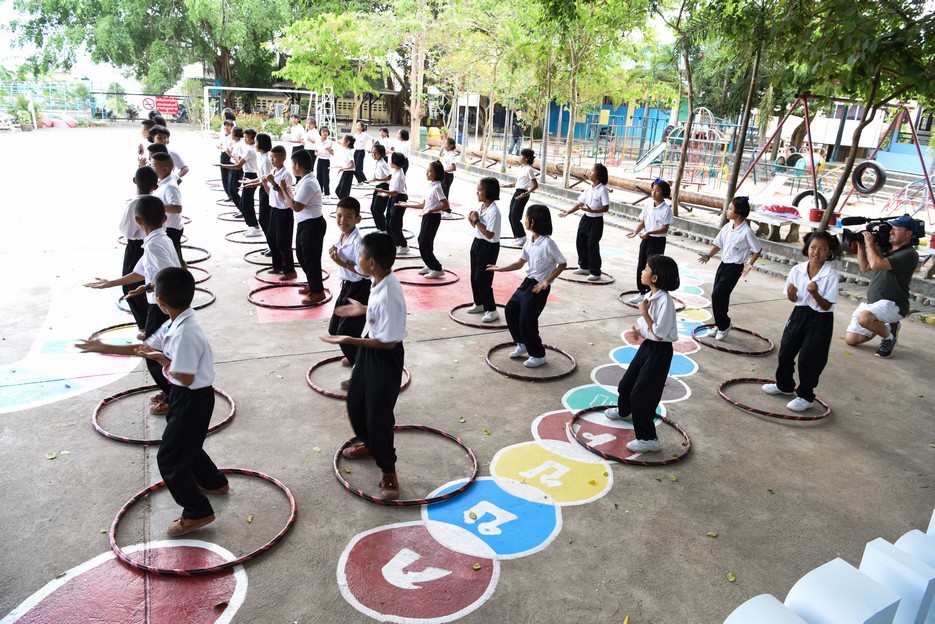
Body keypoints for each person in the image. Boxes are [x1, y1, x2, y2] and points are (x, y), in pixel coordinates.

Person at [82, 267, 228, 536]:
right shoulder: (175, 322)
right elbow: (145, 348)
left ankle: (198, 511)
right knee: (188, 445)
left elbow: (183, 374)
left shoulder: (186, 333)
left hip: (192, 397)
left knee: (170, 459)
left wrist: (161, 359)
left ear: (159, 301)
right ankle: (214, 482)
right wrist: (105, 347)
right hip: (185, 396)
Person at [321, 232, 407, 501]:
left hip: (385, 355)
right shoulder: (379, 280)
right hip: (373, 346)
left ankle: (388, 469)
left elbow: (389, 344)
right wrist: (363, 309)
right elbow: (378, 313)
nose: (356, 258)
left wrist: (349, 339)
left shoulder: (390, 294)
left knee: (378, 416)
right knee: (356, 403)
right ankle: (370, 445)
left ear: (371, 262)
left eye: (360, 255)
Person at [81, 196, 181, 415]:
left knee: (153, 355)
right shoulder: (159, 240)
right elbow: (140, 273)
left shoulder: (154, 246)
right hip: (161, 304)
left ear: (137, 221)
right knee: (160, 350)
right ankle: (171, 390)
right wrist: (111, 283)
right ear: (165, 219)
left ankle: (174, 396)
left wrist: (148, 289)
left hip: (161, 307)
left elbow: (168, 276)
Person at [604, 254, 680, 453]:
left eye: (646, 269)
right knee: (627, 384)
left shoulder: (665, 301)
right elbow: (649, 329)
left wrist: (643, 313)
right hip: (648, 346)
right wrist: (638, 331)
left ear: (654, 278)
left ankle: (649, 439)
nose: (642, 271)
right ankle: (624, 411)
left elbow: (661, 333)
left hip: (660, 351)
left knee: (642, 395)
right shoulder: (650, 295)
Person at [764, 232, 840, 411]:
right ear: (807, 248)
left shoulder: (830, 275)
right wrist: (791, 293)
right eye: (813, 247)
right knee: (786, 349)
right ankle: (784, 385)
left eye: (822, 249)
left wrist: (815, 293)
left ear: (829, 252)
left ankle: (806, 396)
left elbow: (827, 305)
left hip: (821, 318)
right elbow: (793, 298)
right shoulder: (797, 270)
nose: (817, 252)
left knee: (809, 358)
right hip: (799, 313)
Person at [488, 204, 567, 368]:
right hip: (527, 282)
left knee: (527, 321)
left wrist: (547, 281)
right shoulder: (530, 241)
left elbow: (562, 263)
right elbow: (519, 262)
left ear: (532, 221)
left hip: (539, 288)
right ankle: (522, 344)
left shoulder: (548, 244)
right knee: (511, 310)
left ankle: (538, 354)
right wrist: (500, 269)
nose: (523, 220)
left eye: (525, 218)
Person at [844, 214, 920, 358]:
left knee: (864, 318)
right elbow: (865, 266)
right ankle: (887, 325)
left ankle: (889, 338)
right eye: (892, 228)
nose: (891, 231)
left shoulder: (910, 254)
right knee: (851, 340)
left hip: (894, 304)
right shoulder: (887, 249)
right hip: (873, 302)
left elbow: (876, 264)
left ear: (908, 233)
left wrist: (870, 244)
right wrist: (861, 245)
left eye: (897, 229)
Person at [697, 196, 762, 340]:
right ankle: (720, 325)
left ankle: (725, 325)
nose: (727, 210)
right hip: (723, 265)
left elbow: (757, 249)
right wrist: (708, 256)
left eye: (731, 208)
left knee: (717, 295)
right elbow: (718, 244)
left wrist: (749, 264)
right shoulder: (727, 227)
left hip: (735, 268)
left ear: (738, 212)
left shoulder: (746, 232)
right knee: (720, 296)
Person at [327, 197, 370, 387]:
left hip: (359, 289)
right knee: (334, 329)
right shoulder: (343, 234)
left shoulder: (359, 241)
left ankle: (361, 370)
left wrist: (341, 263)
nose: (342, 221)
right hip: (347, 286)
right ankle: (355, 356)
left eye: (348, 217)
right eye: (339, 216)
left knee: (346, 334)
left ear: (358, 219)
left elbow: (364, 271)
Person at [280, 150, 328, 305]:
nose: (291, 167)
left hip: (312, 225)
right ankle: (313, 284)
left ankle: (318, 292)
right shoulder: (304, 180)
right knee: (302, 256)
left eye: (292, 164)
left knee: (311, 259)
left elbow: (296, 206)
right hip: (305, 224)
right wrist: (286, 192)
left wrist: (283, 190)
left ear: (297, 165)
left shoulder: (308, 183)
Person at [120, 166, 160, 334]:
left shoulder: (133, 205)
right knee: (145, 283)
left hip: (136, 246)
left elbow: (126, 230)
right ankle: (148, 324)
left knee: (130, 287)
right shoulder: (156, 202)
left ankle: (145, 326)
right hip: (150, 242)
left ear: (134, 181)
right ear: (156, 186)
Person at [398, 160, 449, 279]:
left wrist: (431, 211)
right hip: (427, 216)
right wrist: (406, 205)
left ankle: (437, 268)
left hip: (433, 217)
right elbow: (423, 205)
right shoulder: (430, 186)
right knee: (424, 240)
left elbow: (445, 205)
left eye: (429, 171)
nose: (427, 173)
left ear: (436, 173)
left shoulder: (437, 188)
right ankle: (429, 264)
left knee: (424, 242)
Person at [561, 163, 610, 282]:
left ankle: (595, 271)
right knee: (581, 241)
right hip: (586, 218)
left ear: (598, 175)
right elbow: (580, 204)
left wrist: (593, 210)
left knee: (592, 245)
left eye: (592, 172)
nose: (589, 173)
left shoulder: (603, 190)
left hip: (596, 220)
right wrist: (568, 212)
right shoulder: (588, 189)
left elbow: (606, 208)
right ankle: (584, 266)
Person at [627, 178, 673, 304]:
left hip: (657, 241)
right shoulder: (648, 206)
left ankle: (651, 292)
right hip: (646, 240)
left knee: (653, 267)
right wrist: (636, 231)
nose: (653, 193)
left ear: (663, 193)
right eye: (652, 190)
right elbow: (643, 222)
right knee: (641, 264)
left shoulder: (666, 210)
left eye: (657, 190)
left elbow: (664, 228)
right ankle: (642, 292)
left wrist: (649, 232)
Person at [467, 177, 501, 323]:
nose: (477, 192)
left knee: (483, 279)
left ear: (489, 192)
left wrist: (476, 221)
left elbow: (489, 234)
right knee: (474, 275)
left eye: (480, 190)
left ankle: (492, 309)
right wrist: (472, 220)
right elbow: (478, 229)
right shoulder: (482, 208)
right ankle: (479, 303)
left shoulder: (494, 211)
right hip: (477, 243)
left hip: (489, 246)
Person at [265, 145, 297, 281]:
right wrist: (265, 183)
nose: (271, 160)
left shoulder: (286, 175)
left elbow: (286, 195)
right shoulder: (273, 171)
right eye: (270, 158)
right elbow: (271, 192)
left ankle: (290, 270)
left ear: (283, 158)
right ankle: (277, 265)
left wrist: (273, 183)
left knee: (283, 242)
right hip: (274, 209)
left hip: (284, 211)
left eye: (274, 157)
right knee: (271, 237)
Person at [151, 153, 185, 262]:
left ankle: (180, 276)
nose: (151, 169)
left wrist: (155, 206)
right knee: (174, 256)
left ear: (165, 170)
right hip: (166, 226)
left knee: (174, 258)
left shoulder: (170, 186)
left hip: (172, 228)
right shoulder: (163, 181)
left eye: (153, 167)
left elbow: (177, 207)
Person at [501, 148, 538, 246]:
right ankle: (517, 236)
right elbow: (517, 183)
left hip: (523, 193)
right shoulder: (521, 168)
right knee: (511, 216)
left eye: (521, 155)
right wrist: (505, 185)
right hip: (517, 192)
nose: (519, 157)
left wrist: (526, 194)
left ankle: (522, 237)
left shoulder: (529, 169)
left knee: (515, 217)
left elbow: (535, 185)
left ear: (526, 158)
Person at [242, 133, 273, 247]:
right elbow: (261, 177)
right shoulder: (262, 157)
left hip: (267, 191)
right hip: (263, 190)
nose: (254, 144)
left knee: (265, 220)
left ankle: (272, 246)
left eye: (256, 142)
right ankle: (270, 245)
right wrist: (250, 182)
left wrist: (253, 183)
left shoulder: (266, 160)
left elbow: (267, 180)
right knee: (264, 220)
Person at [377, 152, 410, 255]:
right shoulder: (396, 172)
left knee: (394, 224)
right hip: (393, 198)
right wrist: (385, 195)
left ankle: (403, 245)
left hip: (399, 199)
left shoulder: (400, 174)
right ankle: (395, 243)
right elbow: (393, 191)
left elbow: (396, 192)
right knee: (388, 221)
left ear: (394, 162)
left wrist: (384, 192)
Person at [369, 143, 392, 233]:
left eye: (376, 153)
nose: (373, 155)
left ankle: (384, 229)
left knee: (378, 210)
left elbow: (390, 176)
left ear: (381, 154)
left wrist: (378, 179)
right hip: (378, 186)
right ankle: (380, 227)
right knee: (373, 208)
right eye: (372, 153)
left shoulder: (383, 164)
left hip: (384, 187)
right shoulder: (378, 162)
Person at [217, 120, 235, 205]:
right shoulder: (223, 135)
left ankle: (232, 194)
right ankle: (228, 194)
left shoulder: (232, 137)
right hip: (223, 155)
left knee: (230, 176)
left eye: (228, 126)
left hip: (230, 156)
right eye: (225, 126)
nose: (226, 128)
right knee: (224, 175)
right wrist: (219, 146)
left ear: (231, 127)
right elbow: (219, 144)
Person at [334, 135, 357, 200]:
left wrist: (343, 169)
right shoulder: (347, 151)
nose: (342, 142)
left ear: (348, 142)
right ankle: (343, 204)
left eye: (343, 140)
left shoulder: (349, 152)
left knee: (343, 193)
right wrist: (340, 167)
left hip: (348, 173)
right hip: (345, 172)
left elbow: (353, 165)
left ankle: (345, 206)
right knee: (338, 191)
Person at [317, 127, 334, 196]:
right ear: (320, 132)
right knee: (319, 176)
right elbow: (316, 151)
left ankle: (327, 193)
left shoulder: (329, 142)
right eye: (323, 131)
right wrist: (317, 153)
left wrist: (329, 150)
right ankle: (320, 191)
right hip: (319, 160)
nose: (325, 133)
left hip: (326, 161)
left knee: (325, 177)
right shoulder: (318, 141)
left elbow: (332, 153)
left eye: (326, 132)